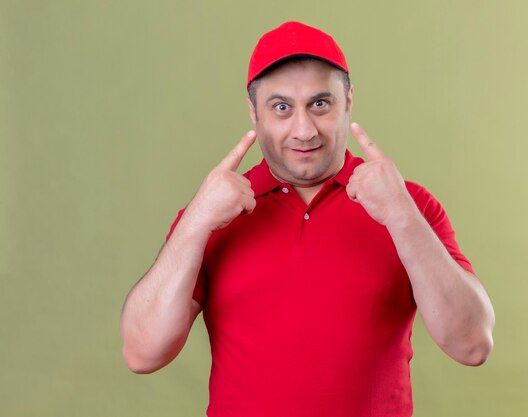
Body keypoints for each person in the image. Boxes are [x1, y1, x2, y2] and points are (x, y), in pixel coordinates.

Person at [120, 21, 495, 417]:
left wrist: (401, 216)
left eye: (320, 104)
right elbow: (142, 353)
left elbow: (471, 345)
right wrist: (195, 219)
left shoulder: (409, 206)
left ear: (348, 100)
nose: (304, 130)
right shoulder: (215, 213)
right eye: (281, 107)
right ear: (254, 113)